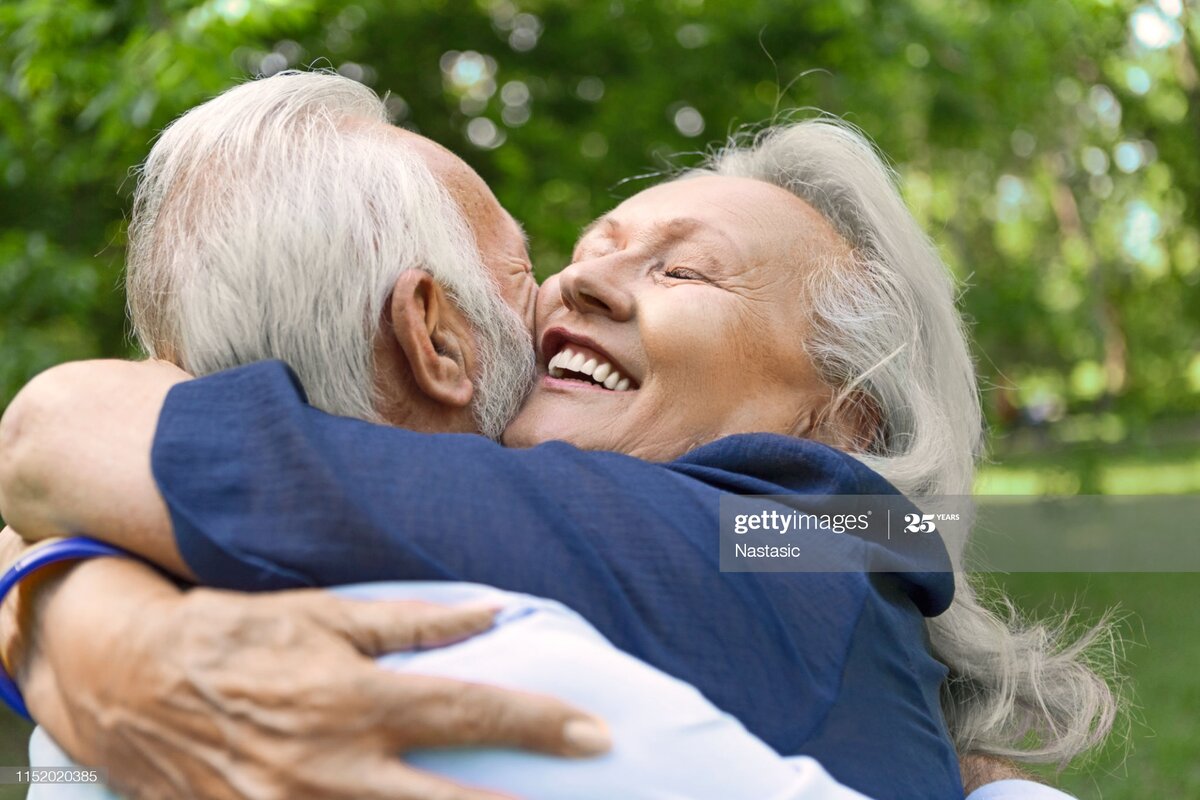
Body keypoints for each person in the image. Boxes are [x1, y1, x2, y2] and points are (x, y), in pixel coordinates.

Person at [0, 72, 1111, 799]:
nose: (580, 282)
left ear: (845, 410)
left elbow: (66, 431)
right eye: (578, 253)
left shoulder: (827, 535)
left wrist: (75, 611)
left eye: (681, 268)